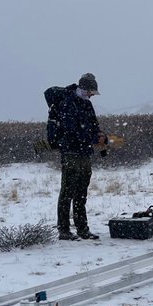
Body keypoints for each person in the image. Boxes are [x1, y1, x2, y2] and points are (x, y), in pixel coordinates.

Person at [44, 72, 108, 241]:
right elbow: (73, 131)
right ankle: (64, 230)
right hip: (71, 152)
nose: (92, 96)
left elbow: (93, 126)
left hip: (84, 152)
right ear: (84, 89)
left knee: (81, 193)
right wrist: (93, 137)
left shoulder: (87, 105)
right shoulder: (67, 103)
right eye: (91, 92)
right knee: (67, 192)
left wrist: (102, 139)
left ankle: (82, 229)